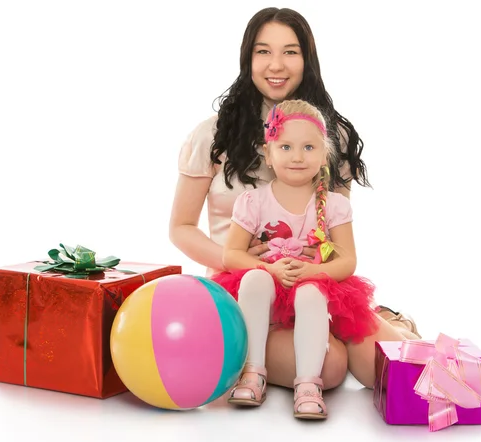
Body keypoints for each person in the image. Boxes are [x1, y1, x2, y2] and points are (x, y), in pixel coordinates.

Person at [169, 7, 420, 392]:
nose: (276, 64)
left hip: (311, 284)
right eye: (263, 51)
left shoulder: (331, 137)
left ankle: (389, 323)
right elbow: (181, 228)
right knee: (330, 367)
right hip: (246, 290)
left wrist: (314, 267)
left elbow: (333, 232)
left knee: (390, 367)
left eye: (290, 51)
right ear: (247, 58)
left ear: (307, 59)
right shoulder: (211, 136)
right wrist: (243, 260)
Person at [213, 99, 383, 419]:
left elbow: (347, 261)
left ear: (323, 155)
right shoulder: (253, 201)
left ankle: (308, 384)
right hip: (267, 287)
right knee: (254, 277)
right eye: (287, 147)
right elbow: (231, 254)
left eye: (308, 147)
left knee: (311, 290)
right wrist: (270, 268)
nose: (297, 156)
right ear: (268, 152)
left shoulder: (334, 205)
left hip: (306, 292)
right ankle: (252, 371)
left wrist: (312, 271)